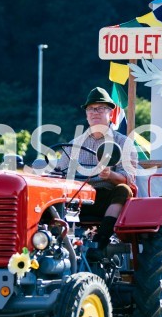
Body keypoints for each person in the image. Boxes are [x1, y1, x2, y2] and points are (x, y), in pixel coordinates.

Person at [58, 87, 137, 259]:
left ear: (111, 113)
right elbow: (58, 172)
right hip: (77, 198)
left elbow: (130, 179)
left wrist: (110, 175)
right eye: (91, 109)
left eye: (100, 108)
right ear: (86, 114)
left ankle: (101, 241)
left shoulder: (123, 142)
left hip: (106, 196)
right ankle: (51, 244)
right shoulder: (74, 144)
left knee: (124, 189)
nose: (95, 112)